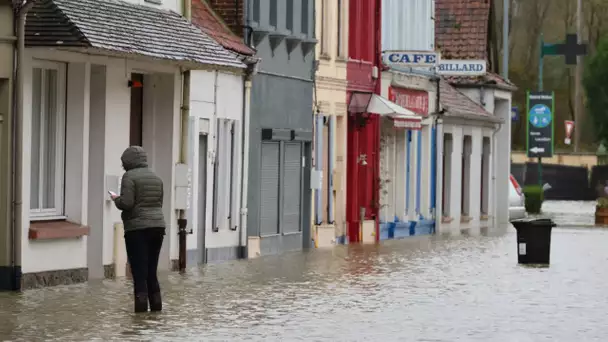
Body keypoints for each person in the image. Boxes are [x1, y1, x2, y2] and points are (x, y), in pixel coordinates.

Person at [111, 146, 166, 313]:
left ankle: (140, 319)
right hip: (158, 227)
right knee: (151, 272)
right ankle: (156, 314)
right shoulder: (156, 178)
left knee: (139, 274)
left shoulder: (129, 177)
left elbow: (127, 203)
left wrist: (116, 199)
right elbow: (158, 204)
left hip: (137, 229)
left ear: (128, 162)